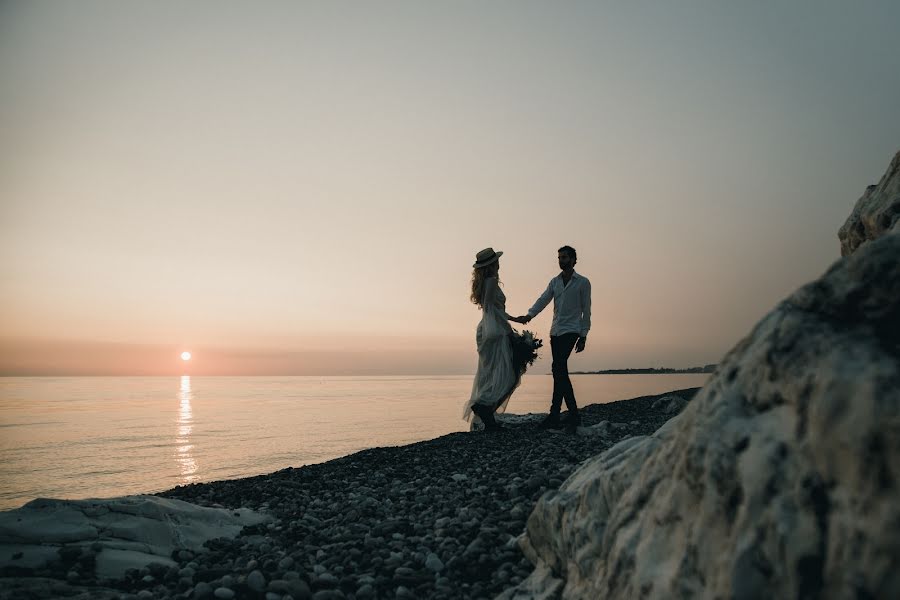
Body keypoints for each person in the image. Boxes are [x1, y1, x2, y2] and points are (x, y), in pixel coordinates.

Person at [518, 245, 591, 433]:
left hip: (572, 330)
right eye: (559, 258)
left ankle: (556, 414)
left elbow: (586, 311)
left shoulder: (583, 282)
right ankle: (569, 414)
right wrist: (529, 315)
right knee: (560, 370)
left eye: (565, 257)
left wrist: (583, 336)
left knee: (557, 368)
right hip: (556, 331)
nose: (561, 261)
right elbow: (543, 299)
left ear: (574, 260)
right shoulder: (555, 282)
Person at [464, 247, 524, 431]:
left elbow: (491, 309)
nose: (499, 264)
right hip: (494, 330)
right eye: (496, 261)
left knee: (496, 373)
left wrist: (511, 322)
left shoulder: (486, 282)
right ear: (491, 265)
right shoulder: (490, 281)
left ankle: (487, 414)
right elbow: (492, 309)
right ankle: (484, 408)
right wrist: (512, 323)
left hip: (490, 328)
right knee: (508, 374)